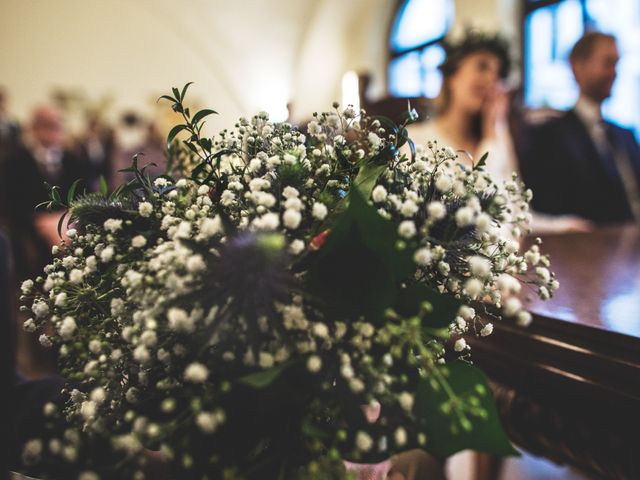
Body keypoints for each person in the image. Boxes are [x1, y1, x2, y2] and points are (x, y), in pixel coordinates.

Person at [408, 31, 591, 233]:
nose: (490, 80)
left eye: (498, 74)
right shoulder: (415, 141)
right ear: (452, 76)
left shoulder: (497, 138)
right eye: (482, 67)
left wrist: (563, 227)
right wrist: (491, 140)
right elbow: (471, 221)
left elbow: (514, 217)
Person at [519, 32, 640, 224]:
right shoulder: (549, 136)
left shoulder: (625, 135)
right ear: (577, 66)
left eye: (617, 63)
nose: (614, 72)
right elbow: (546, 204)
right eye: (607, 63)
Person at [0, 105, 84, 281]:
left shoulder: (73, 159)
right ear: (34, 127)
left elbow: (84, 194)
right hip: (30, 225)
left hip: (69, 221)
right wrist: (40, 221)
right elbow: (10, 201)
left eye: (56, 125)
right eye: (46, 125)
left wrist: (68, 216)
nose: (52, 130)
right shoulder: (15, 161)